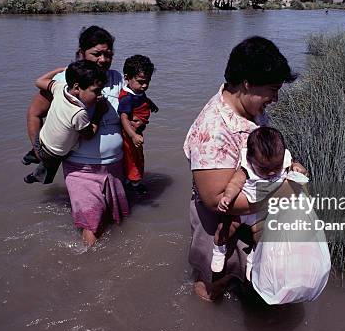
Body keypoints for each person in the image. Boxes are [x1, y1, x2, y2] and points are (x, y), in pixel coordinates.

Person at [183, 36, 306, 301]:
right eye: (272, 89)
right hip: (218, 222)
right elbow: (216, 201)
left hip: (253, 209)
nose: (276, 98)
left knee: (246, 270)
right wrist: (284, 193)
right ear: (247, 83)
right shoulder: (214, 129)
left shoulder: (251, 110)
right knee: (213, 279)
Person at [26, 26, 128, 247]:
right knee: (92, 226)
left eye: (108, 54)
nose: (103, 59)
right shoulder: (66, 80)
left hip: (114, 166)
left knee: (114, 222)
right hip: (82, 168)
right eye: (96, 54)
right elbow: (34, 114)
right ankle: (90, 272)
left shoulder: (116, 78)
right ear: (81, 53)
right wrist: (38, 148)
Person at [213, 127, 307, 281]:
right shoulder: (247, 167)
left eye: (276, 167)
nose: (271, 173)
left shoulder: (285, 162)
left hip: (263, 213)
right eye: (264, 168)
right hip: (242, 211)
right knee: (225, 229)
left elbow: (302, 172)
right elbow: (235, 184)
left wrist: (299, 169)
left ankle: (254, 256)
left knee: (263, 238)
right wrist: (227, 197)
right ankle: (219, 249)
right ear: (250, 159)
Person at [24, 60, 108, 184]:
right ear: (76, 88)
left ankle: (31, 156)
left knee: (44, 152)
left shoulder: (59, 87)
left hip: (40, 140)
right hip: (54, 153)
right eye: (96, 91)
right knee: (50, 167)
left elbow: (39, 82)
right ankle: (36, 176)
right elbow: (89, 135)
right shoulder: (78, 113)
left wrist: (59, 70)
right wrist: (98, 113)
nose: (99, 95)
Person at [117, 55, 159, 195]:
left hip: (135, 132)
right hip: (129, 135)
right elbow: (123, 118)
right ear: (127, 77)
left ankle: (132, 181)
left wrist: (150, 104)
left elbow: (142, 98)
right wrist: (133, 135)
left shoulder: (137, 91)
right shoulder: (127, 98)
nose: (145, 85)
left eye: (148, 81)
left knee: (138, 158)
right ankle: (135, 185)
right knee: (133, 159)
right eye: (141, 82)